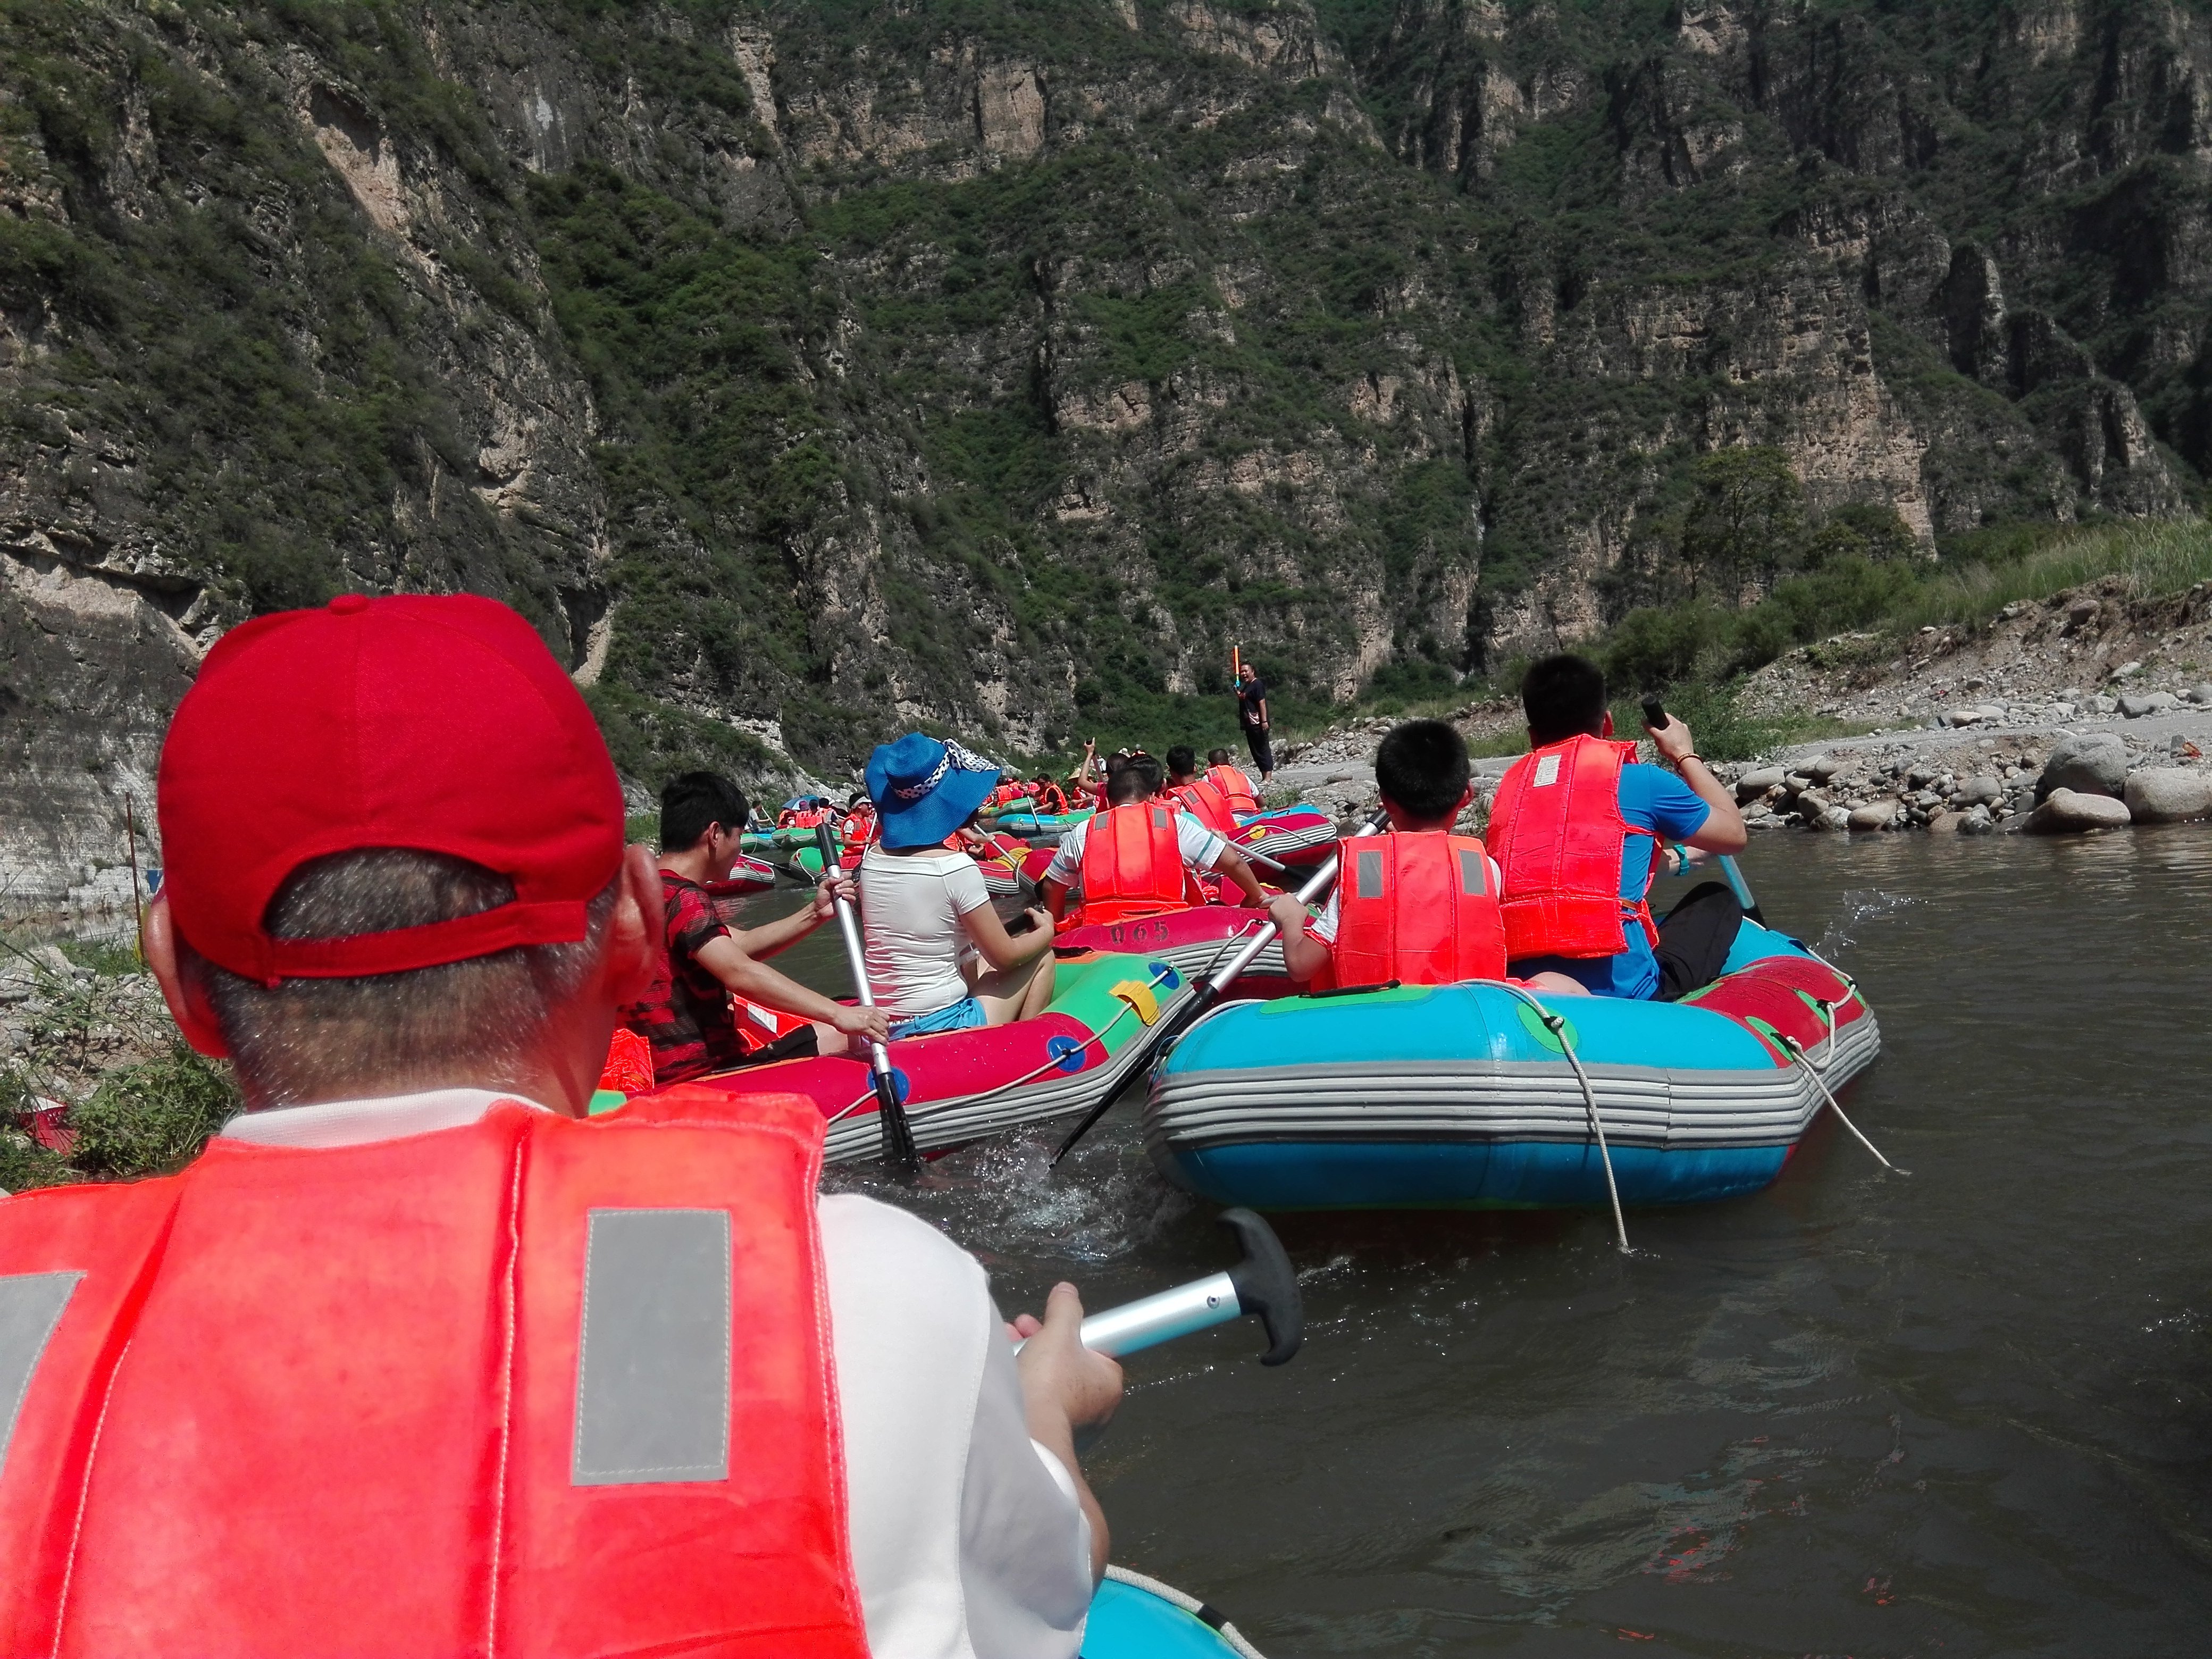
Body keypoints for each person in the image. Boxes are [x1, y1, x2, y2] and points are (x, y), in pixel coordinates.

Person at [0, 593, 1121, 1656]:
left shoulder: (17, 1339)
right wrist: (1044, 1408)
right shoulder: (869, 1290)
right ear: (633, 928)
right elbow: (1048, 1597)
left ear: (176, 979)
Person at [1485, 654, 1749, 1000]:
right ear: (1607, 723)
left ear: (1533, 736)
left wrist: (1682, 858)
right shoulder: (1644, 782)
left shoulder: (1510, 795)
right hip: (1624, 990)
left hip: (1523, 985)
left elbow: (1575, 871)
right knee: (1716, 899)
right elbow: (1733, 835)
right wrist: (1683, 754)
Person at [1270, 719, 1588, 995]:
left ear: (1385, 800)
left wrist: (1291, 918)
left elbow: (1301, 966)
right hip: (1465, 1009)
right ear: (1466, 796)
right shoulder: (1484, 868)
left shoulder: (1365, 872)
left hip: (1378, 1015)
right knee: (1562, 983)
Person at [621, 770, 887, 1085]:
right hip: (705, 1077)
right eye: (739, 836)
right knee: (854, 1030)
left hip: (657, 1074)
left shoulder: (643, 893)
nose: (739, 849)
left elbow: (737, 945)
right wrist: (837, 1014)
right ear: (715, 834)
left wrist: (814, 914)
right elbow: (738, 971)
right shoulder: (685, 896)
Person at [860, 732, 1058, 1037]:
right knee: (1042, 956)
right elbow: (1004, 957)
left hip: (883, 1021)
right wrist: (1046, 930)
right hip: (939, 1022)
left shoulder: (871, 860)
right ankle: (1025, 1052)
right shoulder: (954, 867)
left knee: (973, 961)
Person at [1041, 751, 1268, 927]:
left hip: (1102, 933)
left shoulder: (1083, 831)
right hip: (1169, 927)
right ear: (1151, 797)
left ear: (1107, 802)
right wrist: (1257, 896)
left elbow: (1052, 886)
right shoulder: (1174, 824)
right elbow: (1234, 862)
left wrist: (1058, 926)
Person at [1163, 744, 1237, 836]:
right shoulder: (1211, 787)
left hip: (1213, 847)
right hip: (1235, 838)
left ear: (1172, 773)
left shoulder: (1177, 801)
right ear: (1195, 768)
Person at [1235, 661, 1273, 780]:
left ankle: (1268, 777)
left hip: (1258, 722)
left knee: (1263, 748)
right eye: (1242, 672)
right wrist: (1237, 691)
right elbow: (1244, 698)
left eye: (1246, 671)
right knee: (1255, 751)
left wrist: (1264, 721)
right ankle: (1264, 776)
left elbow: (1261, 702)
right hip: (1249, 723)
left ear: (1253, 671)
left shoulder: (1257, 684)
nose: (1244, 674)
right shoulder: (1247, 686)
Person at [1205, 747, 1262, 816]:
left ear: (1209, 764)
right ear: (1228, 761)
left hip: (1228, 820)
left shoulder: (1208, 778)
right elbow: (1261, 802)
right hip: (1251, 818)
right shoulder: (1241, 775)